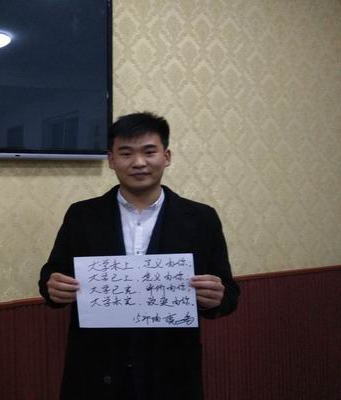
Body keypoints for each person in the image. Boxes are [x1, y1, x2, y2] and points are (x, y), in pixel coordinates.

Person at [38, 112, 240, 400]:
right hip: (96, 368)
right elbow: (52, 274)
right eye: (126, 153)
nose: (139, 162)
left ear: (166, 156)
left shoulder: (201, 218)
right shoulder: (82, 215)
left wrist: (217, 298)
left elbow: (228, 291)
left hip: (171, 371)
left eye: (149, 152)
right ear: (111, 160)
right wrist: (53, 287)